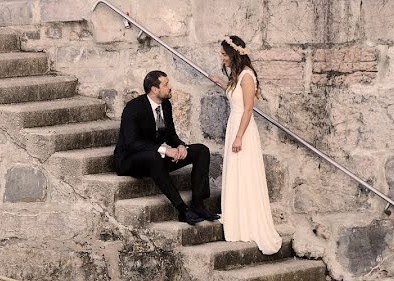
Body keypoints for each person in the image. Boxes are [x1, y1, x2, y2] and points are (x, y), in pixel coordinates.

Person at [114, 70, 218, 226]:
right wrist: (165, 150)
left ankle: (198, 204)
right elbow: (132, 143)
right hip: (131, 160)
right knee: (155, 156)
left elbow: (170, 135)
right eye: (166, 84)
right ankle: (183, 209)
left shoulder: (165, 105)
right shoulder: (134, 107)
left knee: (200, 150)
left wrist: (180, 146)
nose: (170, 87)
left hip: (156, 158)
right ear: (154, 89)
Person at [218, 36, 282, 255]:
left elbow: (247, 109)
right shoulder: (237, 76)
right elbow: (234, 96)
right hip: (234, 126)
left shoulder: (247, 76)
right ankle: (236, 221)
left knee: (245, 174)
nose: (222, 58)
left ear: (234, 54)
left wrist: (239, 137)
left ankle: (247, 223)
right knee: (236, 174)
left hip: (242, 129)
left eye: (225, 54)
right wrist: (219, 81)